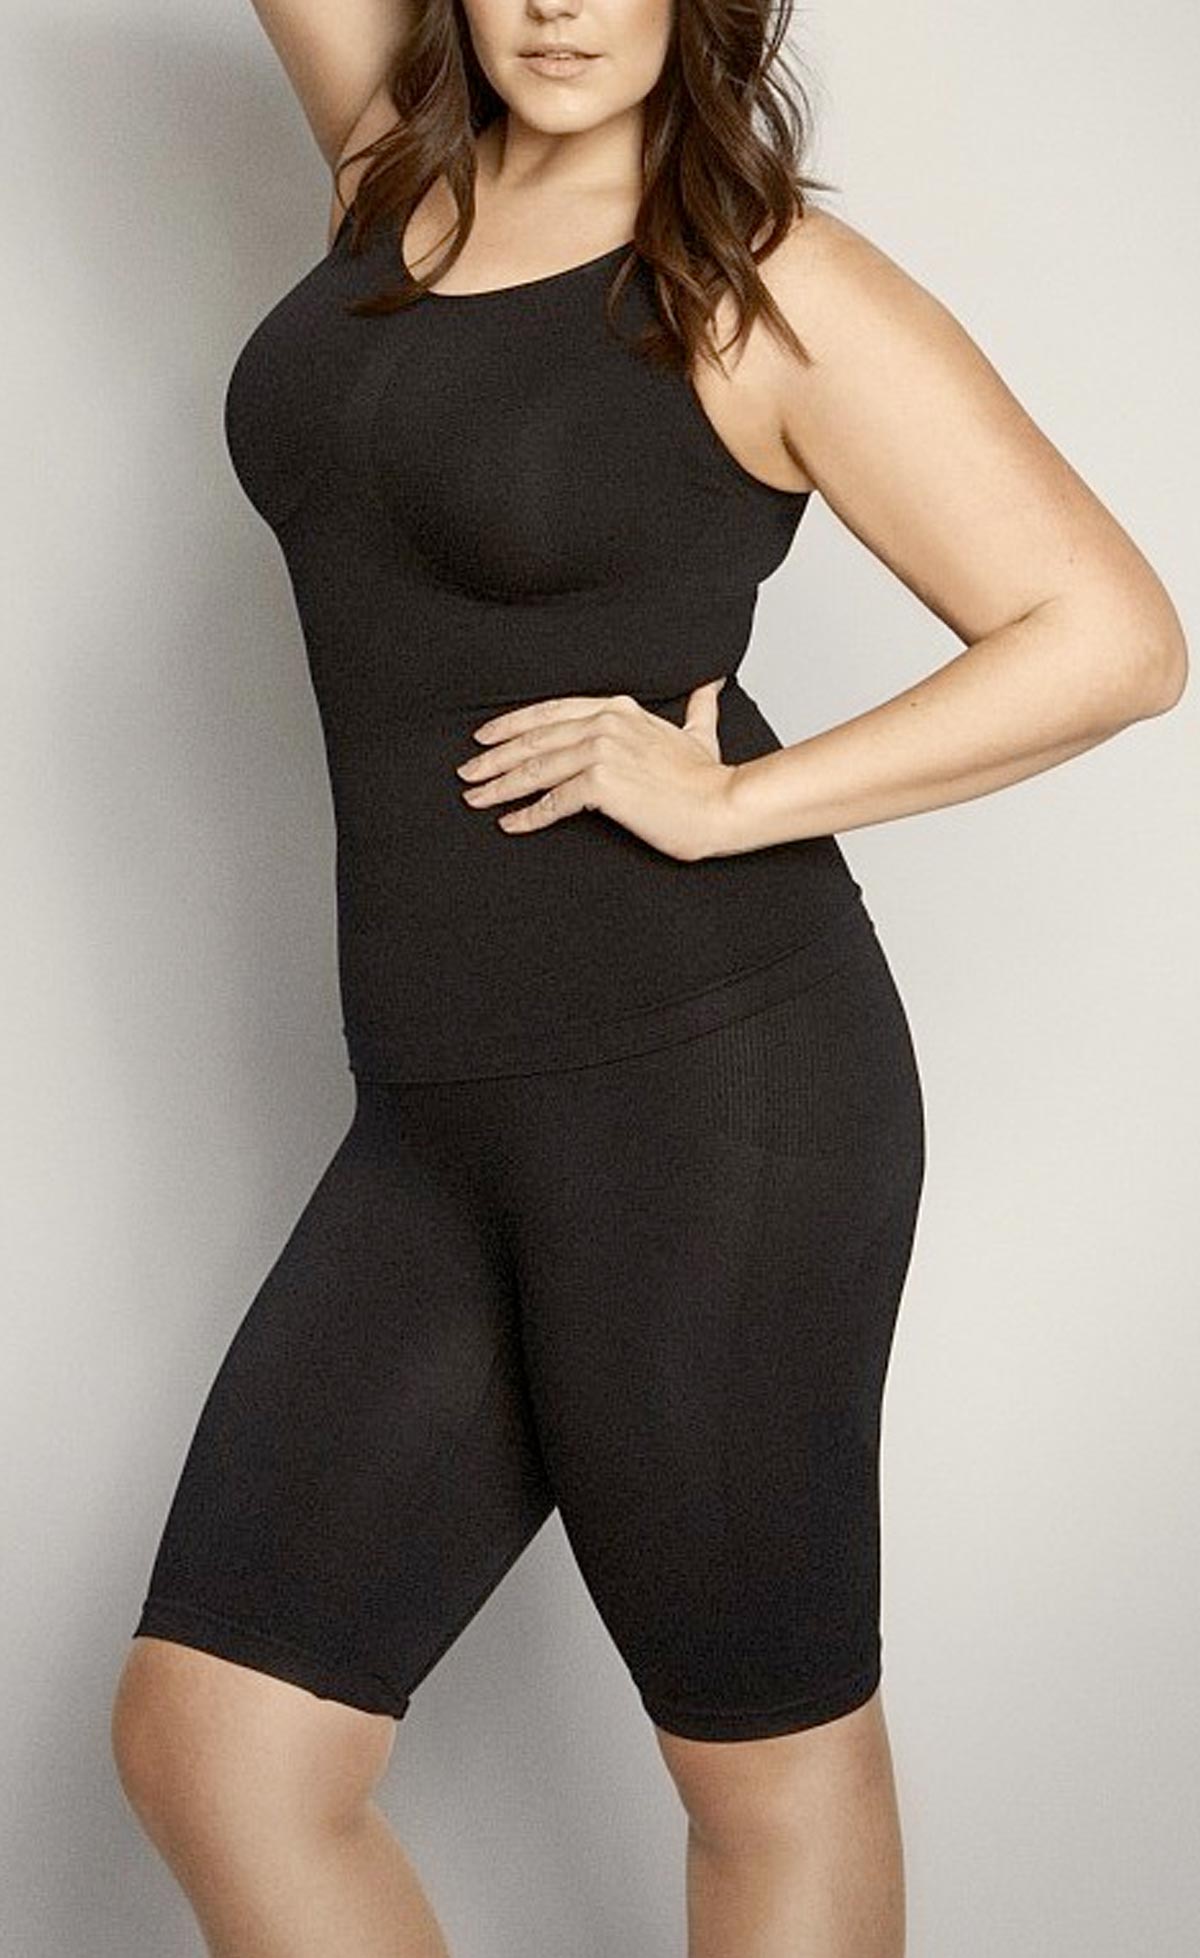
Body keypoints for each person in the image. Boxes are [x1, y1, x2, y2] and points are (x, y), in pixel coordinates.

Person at [108, 1, 1188, 1953]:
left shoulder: (757, 282)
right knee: (221, 1745)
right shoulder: (394, 173)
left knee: (761, 1774)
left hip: (708, 1105)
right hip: (430, 1117)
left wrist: (734, 800)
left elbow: (1109, 633)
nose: (561, 6)